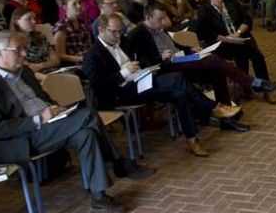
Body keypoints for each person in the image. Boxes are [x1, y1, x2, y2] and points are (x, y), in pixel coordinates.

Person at [0, 31, 154, 213]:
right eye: (18, 50)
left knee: (86, 134)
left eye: (24, 49)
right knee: (88, 114)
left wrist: (57, 109)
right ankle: (119, 163)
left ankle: (100, 197)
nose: (25, 54)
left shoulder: (24, 72)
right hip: (22, 138)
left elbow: (43, 99)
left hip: (49, 126)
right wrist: (39, 119)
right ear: (0, 53)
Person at [82, 14, 242, 158]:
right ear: (101, 30)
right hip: (120, 93)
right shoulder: (92, 54)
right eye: (114, 32)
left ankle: (192, 139)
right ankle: (214, 107)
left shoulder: (122, 42)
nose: (118, 35)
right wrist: (123, 73)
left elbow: (141, 59)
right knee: (177, 77)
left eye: (120, 31)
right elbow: (98, 85)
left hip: (139, 82)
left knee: (180, 94)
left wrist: (145, 67)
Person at [127, 1, 269, 107]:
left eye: (164, 18)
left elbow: (175, 46)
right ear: (147, 17)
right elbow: (140, 61)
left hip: (182, 58)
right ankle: (251, 81)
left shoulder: (160, 29)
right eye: (160, 19)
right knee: (213, 59)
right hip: (168, 66)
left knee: (216, 69)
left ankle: (226, 110)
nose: (164, 22)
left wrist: (190, 49)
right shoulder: (138, 34)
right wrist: (160, 58)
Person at [194, 0, 276, 101]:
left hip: (240, 36)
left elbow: (246, 19)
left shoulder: (231, 2)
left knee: (258, 56)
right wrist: (224, 38)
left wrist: (238, 33)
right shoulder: (204, 10)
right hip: (222, 43)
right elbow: (203, 32)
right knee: (241, 55)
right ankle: (246, 87)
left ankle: (263, 89)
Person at [10, 8, 60, 75]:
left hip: (53, 72)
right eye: (28, 19)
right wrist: (48, 64)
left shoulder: (40, 36)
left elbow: (56, 61)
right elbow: (27, 68)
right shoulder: (13, 42)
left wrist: (40, 66)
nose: (34, 22)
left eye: (34, 18)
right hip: (34, 77)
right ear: (16, 22)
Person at [54, 0, 93, 65]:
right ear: (65, 7)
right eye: (74, 4)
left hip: (87, 60)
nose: (79, 6)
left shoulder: (83, 25)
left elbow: (89, 47)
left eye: (80, 3)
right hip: (74, 64)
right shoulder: (61, 27)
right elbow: (60, 55)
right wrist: (83, 58)